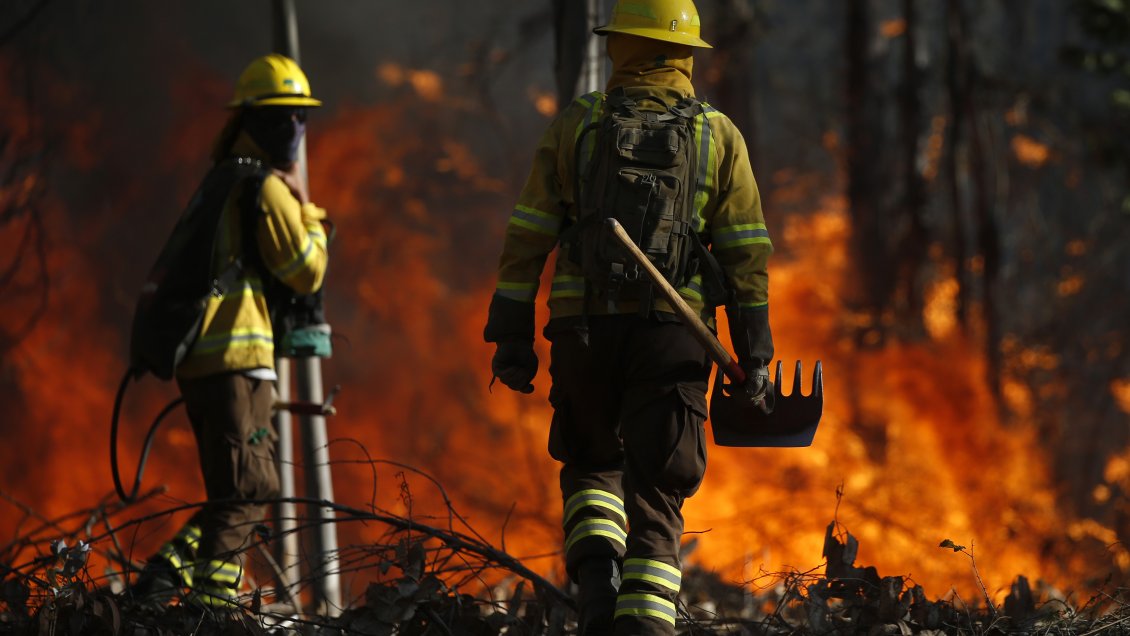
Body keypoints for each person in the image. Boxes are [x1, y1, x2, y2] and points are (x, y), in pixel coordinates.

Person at [483, 1, 774, 635]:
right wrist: (755, 351)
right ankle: (645, 625)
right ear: (686, 53)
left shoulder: (578, 125)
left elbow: (528, 232)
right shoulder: (716, 134)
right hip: (675, 336)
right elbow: (746, 248)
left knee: (591, 464)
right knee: (659, 487)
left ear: (618, 47)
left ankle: (595, 597)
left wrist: (511, 332)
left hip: (583, 329)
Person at [127, 53, 330, 610]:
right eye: (280, 116)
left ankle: (165, 577)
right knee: (246, 490)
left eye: (301, 116)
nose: (292, 128)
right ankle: (213, 610)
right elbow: (306, 269)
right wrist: (311, 216)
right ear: (249, 120)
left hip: (211, 363)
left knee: (240, 489)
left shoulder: (221, 181)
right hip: (235, 359)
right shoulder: (262, 188)